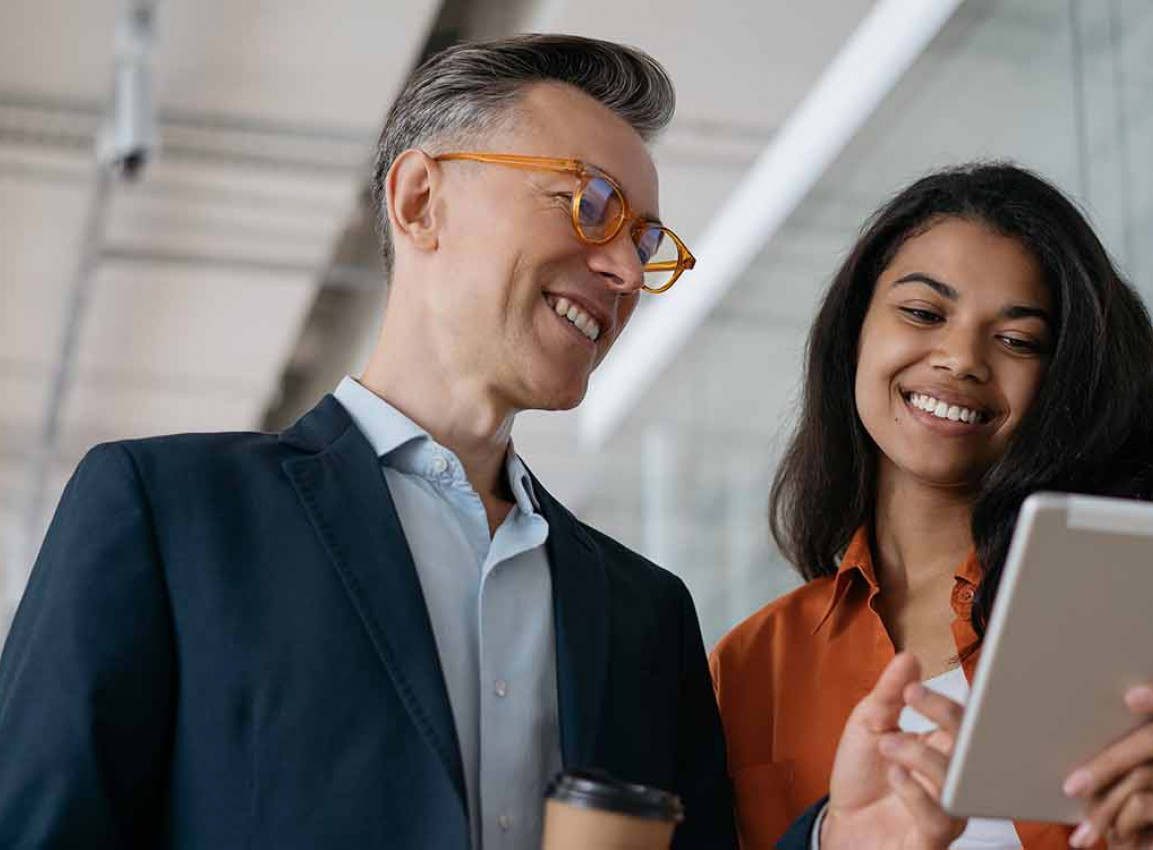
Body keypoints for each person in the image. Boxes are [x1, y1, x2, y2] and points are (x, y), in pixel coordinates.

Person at [0, 35, 733, 849]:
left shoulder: (647, 617)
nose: (626, 271)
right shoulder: (172, 514)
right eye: (591, 204)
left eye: (644, 244)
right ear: (420, 200)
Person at [711, 162, 1153, 850]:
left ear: (1062, 382)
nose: (962, 359)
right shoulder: (752, 666)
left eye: (1019, 341)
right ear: (854, 335)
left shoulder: (1150, 601)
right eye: (923, 313)